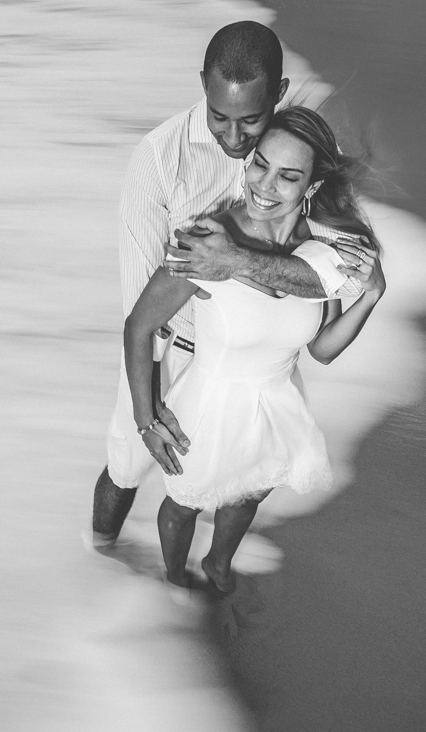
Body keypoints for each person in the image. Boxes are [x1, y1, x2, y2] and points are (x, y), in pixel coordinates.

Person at [91, 21, 363, 547]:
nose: (236, 138)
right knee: (126, 467)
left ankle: (210, 573)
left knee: (242, 481)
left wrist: (236, 261)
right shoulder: (158, 160)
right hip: (172, 350)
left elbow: (336, 264)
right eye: (220, 117)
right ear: (203, 86)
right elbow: (140, 311)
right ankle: (100, 556)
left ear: (278, 96)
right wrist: (147, 412)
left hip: (256, 356)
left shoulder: (294, 154)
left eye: (251, 120)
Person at [124, 105, 386, 593]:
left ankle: (220, 568)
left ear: (309, 188)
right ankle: (176, 580)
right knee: (183, 506)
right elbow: (139, 326)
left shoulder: (318, 252)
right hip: (207, 409)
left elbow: (323, 350)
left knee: (246, 500)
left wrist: (371, 294)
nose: (264, 185)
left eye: (287, 176)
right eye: (260, 164)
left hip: (276, 403)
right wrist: (146, 417)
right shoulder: (206, 241)